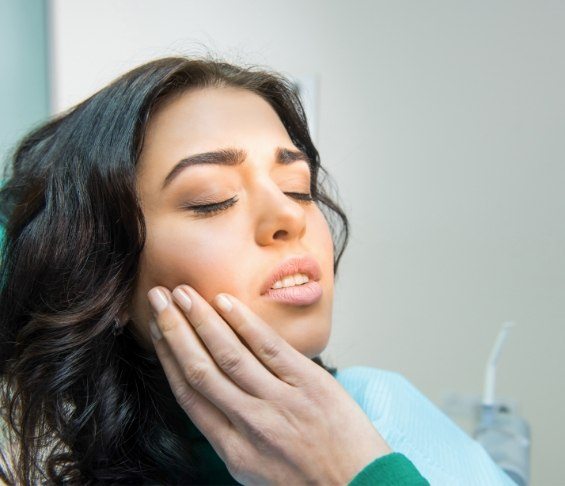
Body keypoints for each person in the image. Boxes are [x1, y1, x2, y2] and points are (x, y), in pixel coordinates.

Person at [0, 57, 512, 485]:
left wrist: (354, 473)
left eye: (298, 188)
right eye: (211, 200)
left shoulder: (389, 413)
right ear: (102, 277)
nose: (291, 217)